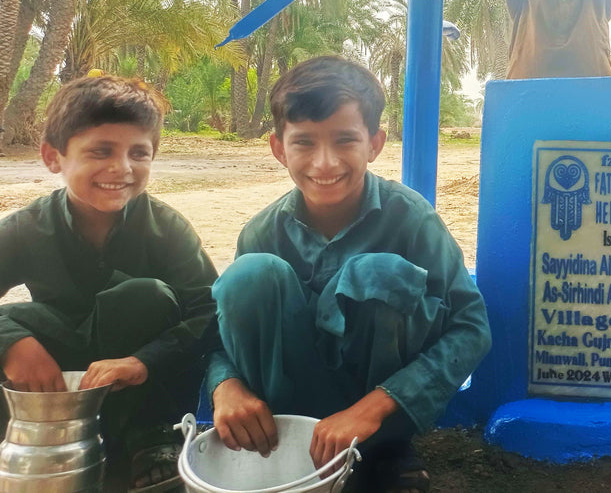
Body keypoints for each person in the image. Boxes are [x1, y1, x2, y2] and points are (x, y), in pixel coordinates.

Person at [207, 56, 491, 493]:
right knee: (249, 277)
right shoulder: (262, 232)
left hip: (377, 421)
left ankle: (384, 454)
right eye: (304, 143)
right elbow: (224, 331)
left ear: (374, 144)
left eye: (345, 140)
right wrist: (225, 385)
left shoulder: (411, 219)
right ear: (278, 148)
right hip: (288, 422)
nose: (325, 163)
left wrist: (377, 407)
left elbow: (471, 328)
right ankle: (288, 454)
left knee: (377, 273)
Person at [0, 74, 218, 492]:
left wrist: (144, 361)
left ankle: (151, 434)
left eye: (139, 153)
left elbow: (209, 310)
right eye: (101, 151)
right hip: (66, 373)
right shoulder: (25, 228)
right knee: (12, 320)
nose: (121, 168)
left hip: (146, 383)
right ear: (53, 157)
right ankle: (35, 431)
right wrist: (11, 341)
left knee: (144, 296)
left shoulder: (168, 229)